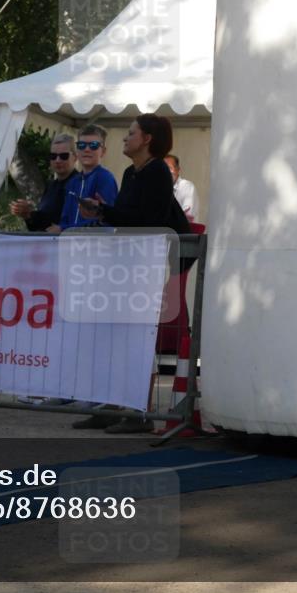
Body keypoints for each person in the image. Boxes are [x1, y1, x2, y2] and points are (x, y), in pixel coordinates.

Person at [76, 113, 192, 433]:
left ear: (147, 139)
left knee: (137, 336)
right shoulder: (130, 172)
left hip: (147, 264)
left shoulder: (156, 172)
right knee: (115, 335)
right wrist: (103, 212)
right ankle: (113, 403)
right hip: (128, 263)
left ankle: (137, 409)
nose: (125, 138)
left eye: (131, 133)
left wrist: (104, 211)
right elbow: (128, 216)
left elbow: (148, 220)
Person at [56, 124, 118, 231]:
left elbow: (105, 221)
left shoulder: (105, 178)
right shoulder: (72, 182)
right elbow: (64, 218)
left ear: (103, 151)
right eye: (81, 145)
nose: (87, 149)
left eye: (93, 145)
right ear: (77, 150)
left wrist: (63, 229)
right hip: (69, 243)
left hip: (95, 244)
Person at [9, 133, 77, 231]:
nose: (58, 160)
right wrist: (28, 215)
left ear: (75, 157)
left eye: (64, 156)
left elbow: (84, 223)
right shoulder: (50, 186)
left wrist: (62, 229)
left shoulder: (81, 185)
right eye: (53, 156)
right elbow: (43, 222)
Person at [165, 154, 199, 221]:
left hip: (183, 231)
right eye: (163, 169)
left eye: (169, 168)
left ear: (178, 169)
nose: (166, 172)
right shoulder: (161, 189)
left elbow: (186, 216)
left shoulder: (186, 186)